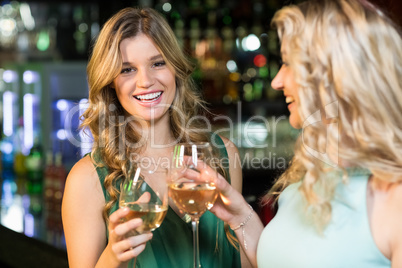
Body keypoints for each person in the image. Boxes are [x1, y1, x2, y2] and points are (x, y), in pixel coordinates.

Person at [208, 0, 402, 267]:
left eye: (288, 63)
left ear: (334, 74)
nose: (276, 81)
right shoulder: (310, 175)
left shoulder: (394, 198)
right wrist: (239, 214)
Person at [61, 7, 251, 268]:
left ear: (175, 69)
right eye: (127, 69)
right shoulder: (86, 179)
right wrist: (113, 256)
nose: (145, 81)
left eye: (158, 63)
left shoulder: (223, 154)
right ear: (110, 82)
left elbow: (241, 261)